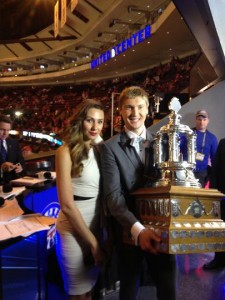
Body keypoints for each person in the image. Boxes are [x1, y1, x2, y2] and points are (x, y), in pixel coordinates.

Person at [100, 86, 177, 300]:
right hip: (128, 231)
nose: (135, 113)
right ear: (121, 112)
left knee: (167, 285)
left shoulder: (164, 141)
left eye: (140, 107)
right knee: (129, 288)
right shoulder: (109, 148)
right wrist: (138, 230)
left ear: (148, 109)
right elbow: (114, 198)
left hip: (161, 229)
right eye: (129, 108)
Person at [55, 99, 105, 300]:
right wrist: (93, 243)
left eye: (100, 122)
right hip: (73, 232)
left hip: (96, 227)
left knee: (90, 291)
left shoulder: (101, 147)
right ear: (80, 121)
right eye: (90, 120)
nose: (95, 127)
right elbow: (66, 205)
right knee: (79, 294)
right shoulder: (64, 152)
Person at [203, 138, 225, 270]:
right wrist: (214, 194)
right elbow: (215, 170)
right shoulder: (223, 143)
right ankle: (219, 260)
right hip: (223, 196)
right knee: (221, 230)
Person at [193, 110, 218, 187]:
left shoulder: (212, 138)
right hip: (186, 171)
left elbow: (215, 160)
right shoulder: (187, 133)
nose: (202, 122)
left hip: (202, 174)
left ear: (208, 121)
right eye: (199, 119)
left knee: (198, 198)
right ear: (195, 120)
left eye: (204, 120)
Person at [0, 114, 25, 183]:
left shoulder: (14, 142)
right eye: (2, 129)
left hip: (14, 184)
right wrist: (1, 169)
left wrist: (21, 168)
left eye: (8, 130)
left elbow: (21, 161)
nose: (5, 133)